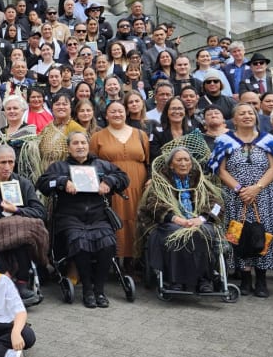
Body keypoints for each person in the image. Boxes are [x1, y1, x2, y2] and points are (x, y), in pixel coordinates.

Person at [38, 131, 129, 308]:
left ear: (88, 146)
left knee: (108, 244)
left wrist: (109, 181)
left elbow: (124, 178)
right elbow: (42, 184)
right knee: (80, 243)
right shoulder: (59, 167)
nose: (80, 146)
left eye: (83, 143)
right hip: (70, 217)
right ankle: (87, 289)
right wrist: (62, 182)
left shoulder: (101, 165)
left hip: (98, 216)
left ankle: (99, 290)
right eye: (75, 143)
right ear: (68, 148)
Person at [209, 103, 273, 297]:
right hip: (235, 196)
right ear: (234, 120)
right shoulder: (224, 140)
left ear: (256, 117)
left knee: (263, 233)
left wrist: (256, 188)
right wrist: (240, 190)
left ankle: (261, 279)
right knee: (239, 233)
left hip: (264, 195)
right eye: (242, 113)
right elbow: (220, 170)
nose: (247, 116)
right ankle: (244, 278)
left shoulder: (268, 139)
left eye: (250, 113)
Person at [137, 141, 224, 294]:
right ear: (171, 165)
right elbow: (154, 205)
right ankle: (176, 280)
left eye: (186, 160)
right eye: (179, 160)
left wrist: (201, 219)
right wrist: (178, 220)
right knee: (176, 233)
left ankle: (204, 280)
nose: (183, 163)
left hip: (198, 221)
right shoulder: (160, 182)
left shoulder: (201, 181)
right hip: (172, 222)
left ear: (191, 163)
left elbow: (217, 205)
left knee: (202, 232)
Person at [0, 145, 48, 305]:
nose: (7, 167)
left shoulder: (23, 184)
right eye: (3, 162)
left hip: (18, 230)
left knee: (23, 238)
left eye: (10, 162)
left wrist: (16, 210)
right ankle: (7, 280)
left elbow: (40, 211)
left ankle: (22, 285)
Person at [89, 100, 150, 265]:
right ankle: (113, 261)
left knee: (137, 219)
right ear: (106, 115)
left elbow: (148, 161)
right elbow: (92, 164)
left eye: (120, 111)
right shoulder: (97, 137)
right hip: (112, 188)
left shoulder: (140, 135)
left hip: (138, 185)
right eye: (113, 111)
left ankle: (135, 262)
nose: (117, 114)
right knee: (115, 219)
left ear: (126, 113)